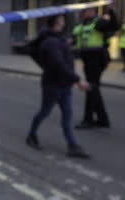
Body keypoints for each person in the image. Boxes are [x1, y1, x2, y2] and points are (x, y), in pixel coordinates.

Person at [26, 15, 90, 158]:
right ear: (57, 22)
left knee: (67, 115)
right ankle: (31, 136)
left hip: (64, 84)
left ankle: (72, 146)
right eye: (62, 19)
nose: (64, 21)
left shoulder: (56, 38)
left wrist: (66, 44)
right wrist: (78, 80)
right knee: (44, 112)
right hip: (53, 85)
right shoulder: (51, 42)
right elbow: (58, 65)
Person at [72, 6, 118, 129]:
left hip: (97, 59)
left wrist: (111, 12)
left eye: (85, 10)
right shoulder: (83, 23)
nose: (82, 12)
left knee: (91, 87)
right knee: (94, 88)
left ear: (92, 11)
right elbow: (75, 38)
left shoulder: (99, 22)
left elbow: (114, 27)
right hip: (88, 59)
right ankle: (103, 119)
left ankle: (88, 120)